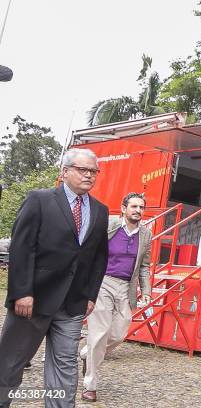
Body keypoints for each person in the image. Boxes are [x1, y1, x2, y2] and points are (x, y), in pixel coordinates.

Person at [0, 148, 109, 407]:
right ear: (65, 172)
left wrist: (90, 296)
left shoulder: (100, 210)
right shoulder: (39, 200)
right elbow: (22, 249)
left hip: (72, 304)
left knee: (65, 367)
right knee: (10, 362)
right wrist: (22, 292)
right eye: (83, 169)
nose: (89, 175)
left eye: (93, 171)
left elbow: (98, 258)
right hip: (33, 301)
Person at [80, 192, 152, 402]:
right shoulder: (109, 225)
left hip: (126, 287)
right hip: (102, 283)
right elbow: (90, 250)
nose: (138, 210)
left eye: (141, 207)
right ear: (123, 208)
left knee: (120, 333)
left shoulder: (146, 235)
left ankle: (87, 352)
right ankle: (90, 385)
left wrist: (145, 291)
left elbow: (145, 265)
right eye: (134, 206)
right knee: (99, 332)